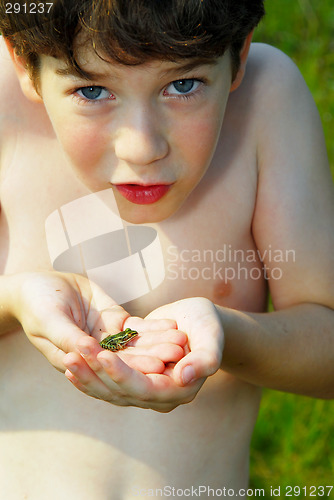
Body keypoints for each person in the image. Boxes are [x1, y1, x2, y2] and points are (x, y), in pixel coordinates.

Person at [0, 0, 333, 498]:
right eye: (92, 90)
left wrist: (228, 333)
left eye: (183, 85)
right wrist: (16, 301)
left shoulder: (268, 95)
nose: (142, 147)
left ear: (238, 56)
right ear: (25, 63)